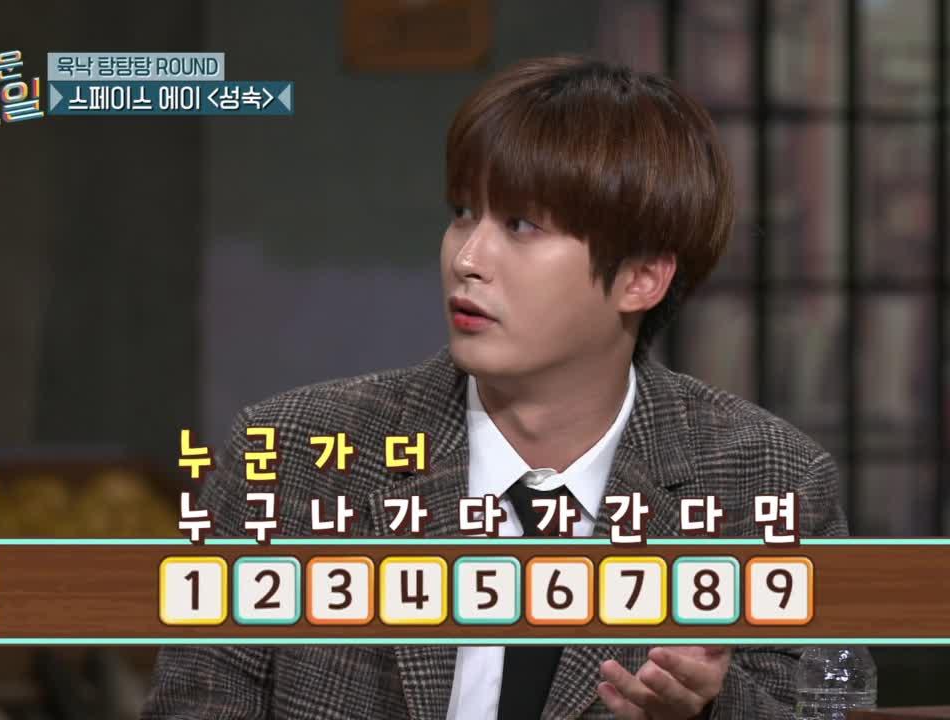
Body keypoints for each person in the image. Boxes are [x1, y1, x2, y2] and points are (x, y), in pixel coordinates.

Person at [142, 54, 850, 720]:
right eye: (462, 213)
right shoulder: (292, 456)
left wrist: (711, 708)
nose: (468, 258)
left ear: (640, 278)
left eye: (520, 225)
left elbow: (829, 705)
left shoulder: (770, 481)